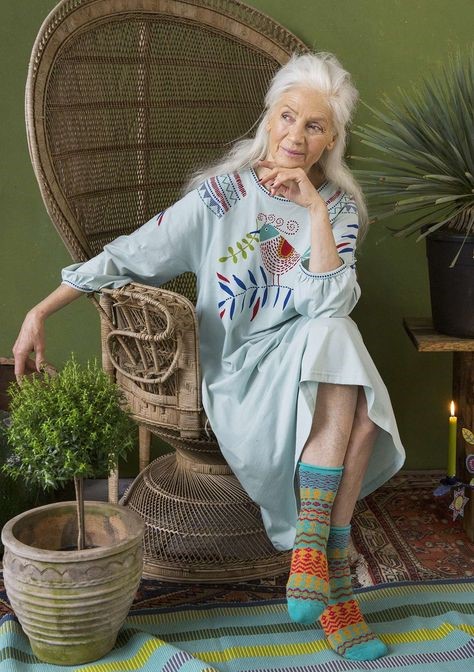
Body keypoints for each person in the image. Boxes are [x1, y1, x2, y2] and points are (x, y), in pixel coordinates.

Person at [14, 52, 404, 661]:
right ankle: (333, 567)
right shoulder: (223, 197)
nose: (296, 135)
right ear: (268, 118)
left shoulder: (338, 209)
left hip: (309, 361)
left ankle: (315, 553)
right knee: (355, 398)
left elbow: (330, 302)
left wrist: (314, 209)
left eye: (315, 126)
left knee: (338, 343)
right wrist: (41, 310)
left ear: (332, 140)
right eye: (287, 116)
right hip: (236, 369)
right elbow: (130, 254)